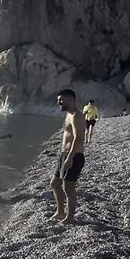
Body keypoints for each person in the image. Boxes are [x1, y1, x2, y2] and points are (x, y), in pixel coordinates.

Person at [50, 89, 86, 224]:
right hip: (63, 154)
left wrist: (70, 157)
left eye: (61, 100)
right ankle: (60, 212)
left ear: (70, 99)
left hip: (74, 156)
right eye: (58, 100)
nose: (58, 102)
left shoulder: (77, 115)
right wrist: (62, 154)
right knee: (54, 183)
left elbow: (79, 138)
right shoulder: (68, 115)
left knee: (68, 188)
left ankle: (70, 217)